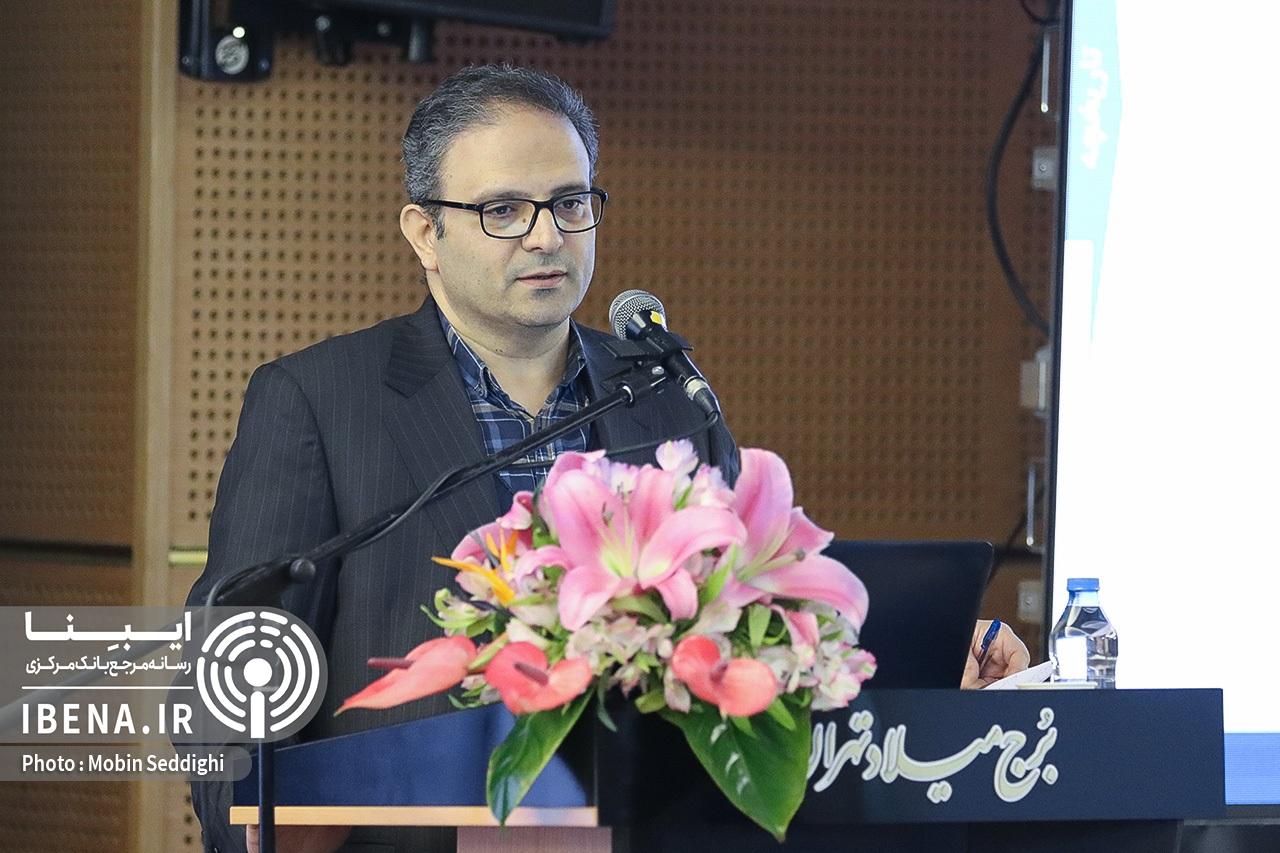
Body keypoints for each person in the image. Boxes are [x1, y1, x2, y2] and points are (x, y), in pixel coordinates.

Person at [185, 64, 1029, 853]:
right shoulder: (320, 400)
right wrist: (254, 829)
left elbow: (748, 625)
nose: (546, 236)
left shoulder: (665, 390)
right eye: (504, 210)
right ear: (425, 232)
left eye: (570, 203)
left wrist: (910, 665)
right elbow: (235, 669)